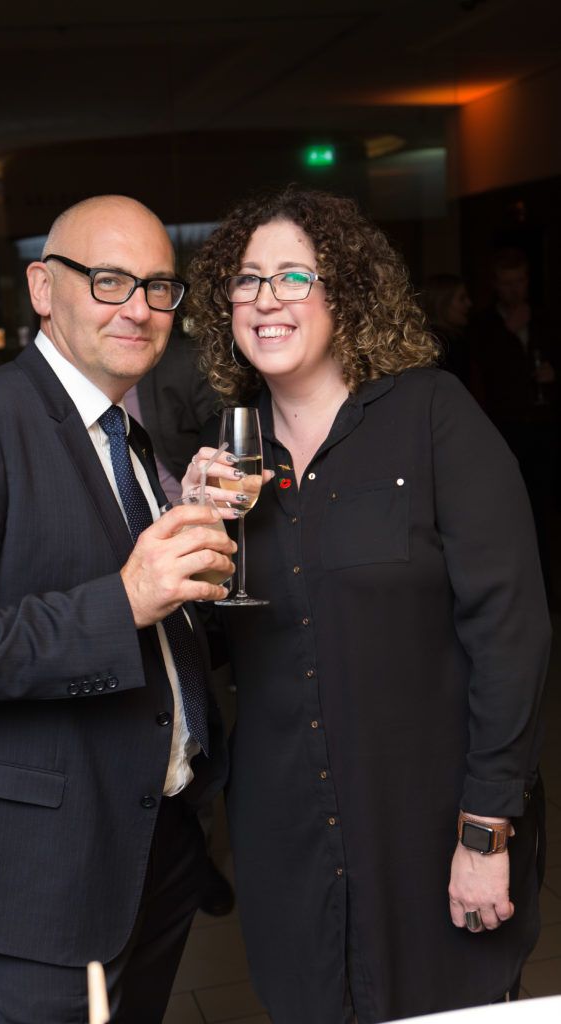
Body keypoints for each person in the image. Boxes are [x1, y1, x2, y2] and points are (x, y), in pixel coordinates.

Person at [182, 186, 549, 1023]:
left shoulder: (431, 416)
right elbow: (209, 648)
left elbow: (511, 632)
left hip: (428, 822)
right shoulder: (229, 459)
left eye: (292, 276)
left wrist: (484, 831)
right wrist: (191, 537)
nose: (265, 298)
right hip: (287, 834)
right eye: (246, 279)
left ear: (345, 293)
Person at [0, 195, 236, 1024]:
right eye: (109, 281)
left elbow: (150, 614)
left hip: (155, 837)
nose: (139, 309)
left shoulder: (126, 433)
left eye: (158, 287)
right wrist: (122, 601)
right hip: (44, 860)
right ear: (43, 287)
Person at [122, 332, 235, 916]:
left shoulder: (182, 361)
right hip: (129, 561)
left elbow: (235, 429)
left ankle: (201, 860)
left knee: (195, 706)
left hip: (189, 533)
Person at [469, 247, 559, 596]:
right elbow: (485, 371)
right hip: (503, 428)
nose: (514, 289)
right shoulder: (485, 324)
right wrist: (508, 331)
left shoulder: (545, 317)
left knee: (542, 508)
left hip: (542, 425)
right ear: (495, 285)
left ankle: (545, 588)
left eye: (519, 281)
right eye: (506, 283)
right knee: (508, 510)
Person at [420, 272, 473, 384]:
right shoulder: (438, 345)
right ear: (442, 303)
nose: (469, 303)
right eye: (461, 299)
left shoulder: (457, 338)